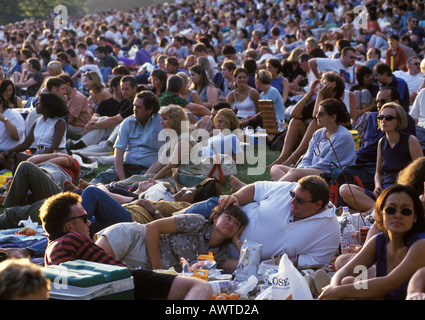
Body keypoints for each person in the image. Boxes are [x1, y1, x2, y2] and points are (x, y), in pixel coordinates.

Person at [41, 192, 212, 300]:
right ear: (69, 226)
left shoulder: (50, 250)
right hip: (115, 285)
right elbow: (119, 272)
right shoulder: (74, 239)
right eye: (84, 218)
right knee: (200, 286)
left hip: (99, 288)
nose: (88, 222)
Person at [319, 184, 425, 300]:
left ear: (415, 216)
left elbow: (390, 283)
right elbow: (345, 271)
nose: (398, 215)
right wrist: (333, 287)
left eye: (406, 211)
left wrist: (338, 291)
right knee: (346, 281)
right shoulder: (379, 241)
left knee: (346, 288)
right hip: (384, 296)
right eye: (390, 210)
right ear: (380, 214)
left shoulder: (420, 244)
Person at [219, 175, 340, 266]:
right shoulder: (289, 188)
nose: (292, 201)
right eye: (292, 195)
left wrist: (269, 261)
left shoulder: (329, 231)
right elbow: (256, 189)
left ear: (318, 205)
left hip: (233, 258)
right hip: (226, 214)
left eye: (299, 200)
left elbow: (314, 261)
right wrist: (235, 197)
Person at [94, 204, 248, 272]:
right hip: (135, 240)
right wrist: (156, 267)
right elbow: (152, 227)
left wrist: (235, 240)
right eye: (228, 218)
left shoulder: (218, 255)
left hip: (140, 268)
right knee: (91, 267)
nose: (231, 224)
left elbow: (247, 265)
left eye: (236, 224)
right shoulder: (197, 222)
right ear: (216, 218)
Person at [340, 102, 423, 212]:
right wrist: (377, 186)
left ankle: (372, 213)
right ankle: (378, 211)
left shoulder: (410, 140)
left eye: (388, 118)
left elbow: (421, 171)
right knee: (345, 189)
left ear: (399, 121)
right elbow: (379, 173)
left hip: (403, 191)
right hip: (384, 192)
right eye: (380, 117)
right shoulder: (381, 142)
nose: (383, 120)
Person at [271, 98, 356, 182]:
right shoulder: (318, 133)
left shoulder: (343, 136)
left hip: (330, 174)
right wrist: (301, 171)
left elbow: (327, 165)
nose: (316, 116)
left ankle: (280, 190)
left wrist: (300, 173)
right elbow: (307, 158)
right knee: (276, 168)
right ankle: (296, 187)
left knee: (293, 172)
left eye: (321, 114)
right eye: (317, 113)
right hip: (313, 171)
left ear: (333, 117)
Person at [90, 90, 163, 184]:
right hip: (127, 166)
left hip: (148, 170)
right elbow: (119, 152)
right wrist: (122, 178)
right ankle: (84, 189)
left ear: (150, 110)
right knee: (105, 176)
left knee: (138, 184)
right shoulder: (128, 122)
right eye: (134, 106)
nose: (134, 110)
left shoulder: (162, 123)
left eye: (139, 107)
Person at [0, 92, 69, 169]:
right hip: (38, 153)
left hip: (54, 154)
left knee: (23, 162)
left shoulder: (59, 123)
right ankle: (24, 170)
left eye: (39, 104)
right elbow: (26, 144)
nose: (36, 105)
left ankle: (25, 171)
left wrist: (37, 157)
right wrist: (9, 152)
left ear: (46, 108)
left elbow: (54, 147)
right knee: (5, 158)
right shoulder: (37, 122)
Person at [67, 75, 137, 151]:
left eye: (126, 89)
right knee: (103, 143)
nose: (124, 92)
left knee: (104, 141)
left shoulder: (135, 102)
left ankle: (77, 147)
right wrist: (97, 123)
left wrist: (95, 125)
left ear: (134, 89)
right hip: (112, 133)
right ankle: (75, 151)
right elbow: (95, 117)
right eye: (122, 89)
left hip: (129, 135)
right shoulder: (119, 102)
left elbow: (117, 119)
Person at [356, 86, 417, 165]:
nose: (378, 105)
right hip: (360, 159)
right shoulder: (371, 117)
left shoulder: (404, 119)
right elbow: (366, 141)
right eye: (376, 101)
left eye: (383, 101)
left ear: (396, 102)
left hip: (378, 163)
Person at [59, 74, 91, 140]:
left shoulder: (77, 98)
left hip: (80, 130)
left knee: (57, 126)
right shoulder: (67, 97)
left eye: (61, 87)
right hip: (72, 127)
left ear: (67, 84)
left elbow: (69, 120)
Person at [0, 95, 25, 164]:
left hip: (11, 154)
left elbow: (16, 137)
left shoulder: (12, 114)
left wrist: (4, 120)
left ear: (1, 103)